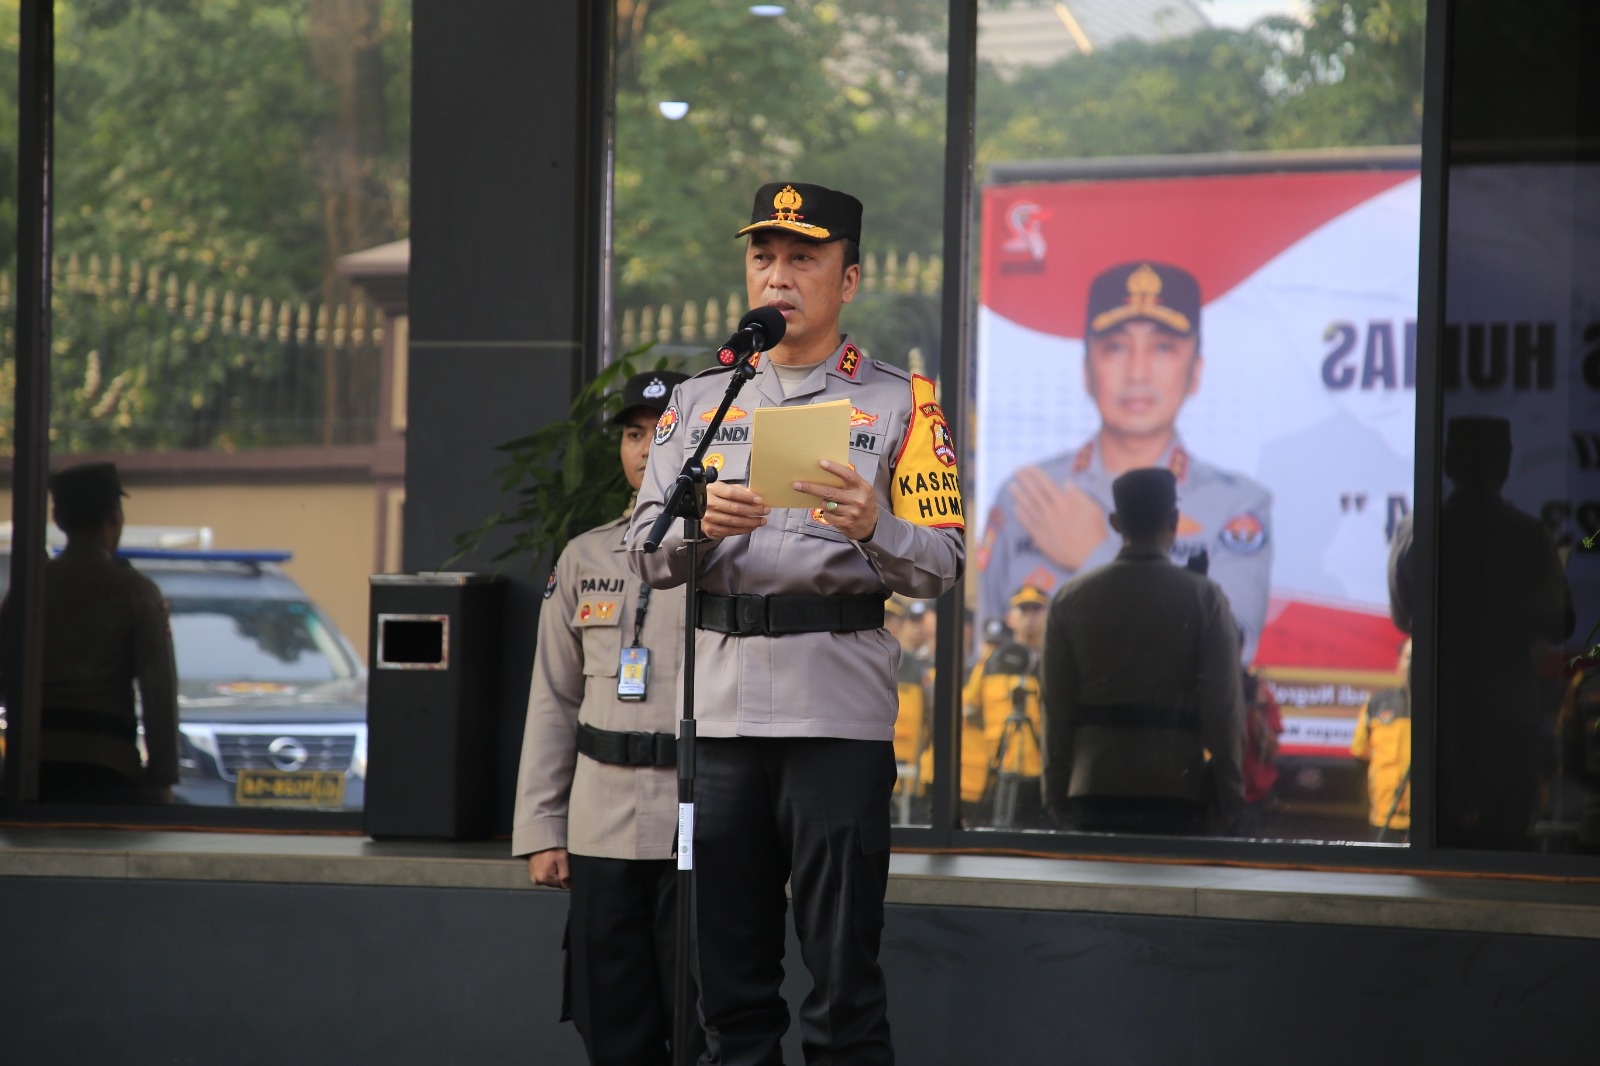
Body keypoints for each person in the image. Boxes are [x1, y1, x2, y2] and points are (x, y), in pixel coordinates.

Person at [628, 180, 965, 1065]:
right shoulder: (699, 403)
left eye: (803, 259)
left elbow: (943, 563)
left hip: (834, 720)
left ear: (847, 279)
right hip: (721, 721)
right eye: (763, 257)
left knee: (843, 986)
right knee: (727, 988)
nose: (777, 277)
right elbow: (643, 551)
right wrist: (702, 528)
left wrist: (875, 526)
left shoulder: (900, 402)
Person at [512, 369, 703, 1065]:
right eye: (633, 434)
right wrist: (542, 828)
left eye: (663, 433)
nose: (645, 448)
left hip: (697, 826)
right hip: (600, 826)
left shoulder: (729, 553)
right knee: (612, 1024)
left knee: (704, 1024)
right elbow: (553, 697)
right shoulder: (583, 555)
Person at [978, 261, 1272, 663]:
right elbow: (990, 648)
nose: (1137, 372)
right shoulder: (1026, 495)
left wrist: (1099, 555)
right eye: (1115, 347)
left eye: (1162, 347)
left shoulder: (1237, 507)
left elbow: (1229, 646)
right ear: (1086, 369)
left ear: (1196, 370)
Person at [1039, 467, 1246, 835]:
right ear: (1175, 520)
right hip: (1177, 789)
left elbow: (1056, 708)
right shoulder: (1205, 598)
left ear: (1115, 522)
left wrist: (1055, 791)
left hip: (1093, 788)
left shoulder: (1071, 599)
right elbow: (1223, 708)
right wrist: (1230, 793)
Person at [0, 462, 178, 803]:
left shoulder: (28, 591)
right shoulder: (136, 592)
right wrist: (163, 777)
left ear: (58, 520)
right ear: (114, 517)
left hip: (33, 770)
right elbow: (158, 689)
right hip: (108, 766)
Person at [960, 584, 1047, 828]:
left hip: (1040, 774)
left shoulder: (1054, 663)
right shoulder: (992, 662)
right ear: (1011, 617)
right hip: (997, 771)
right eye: (1023, 609)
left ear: (1047, 616)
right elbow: (969, 709)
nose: (1030, 617)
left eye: (1036, 610)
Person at [1351, 638, 1412, 842]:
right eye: (1408, 657)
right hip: (1385, 819)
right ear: (1398, 663)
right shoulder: (1378, 703)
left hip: (1427, 820)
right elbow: (1360, 752)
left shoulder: (1439, 704)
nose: (1413, 664)